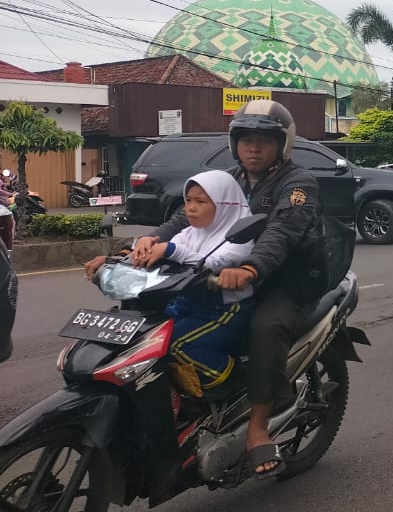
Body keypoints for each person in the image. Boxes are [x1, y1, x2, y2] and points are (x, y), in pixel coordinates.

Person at [88, 100, 325, 479]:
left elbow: (283, 231)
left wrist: (250, 268)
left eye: (264, 140)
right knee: (156, 318)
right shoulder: (226, 179)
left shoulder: (298, 184)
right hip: (223, 276)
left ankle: (257, 425)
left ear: (282, 144)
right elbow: (186, 217)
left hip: (282, 281)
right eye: (246, 140)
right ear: (234, 143)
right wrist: (141, 245)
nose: (253, 148)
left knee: (266, 328)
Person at [129, 170, 256, 396]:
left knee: (177, 345)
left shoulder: (241, 237)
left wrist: (170, 249)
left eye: (200, 201)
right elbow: (166, 251)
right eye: (188, 200)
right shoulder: (189, 233)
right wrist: (135, 253)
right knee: (142, 338)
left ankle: (236, 383)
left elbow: (212, 263)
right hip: (186, 303)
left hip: (224, 309)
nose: (191, 208)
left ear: (224, 204)